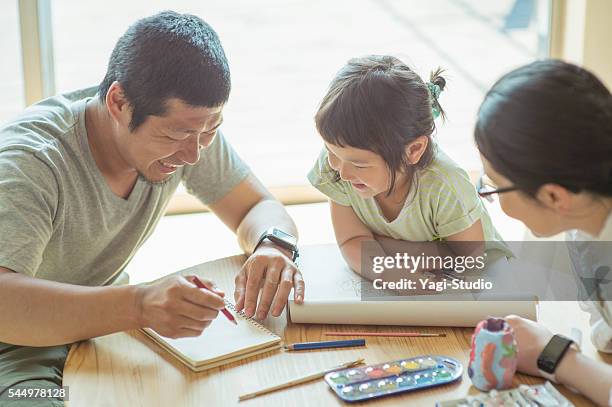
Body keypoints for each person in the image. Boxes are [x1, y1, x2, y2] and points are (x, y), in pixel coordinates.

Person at [0, 11, 303, 404]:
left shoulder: (188, 129)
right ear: (119, 103)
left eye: (209, 131)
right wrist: (141, 304)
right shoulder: (32, 163)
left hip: (107, 327)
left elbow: (258, 207)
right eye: (178, 136)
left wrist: (272, 245)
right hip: (19, 345)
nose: (194, 154)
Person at [475, 59, 612, 406]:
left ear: (554, 196)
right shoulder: (587, 223)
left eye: (494, 187)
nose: (489, 196)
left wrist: (555, 355)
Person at [307, 55, 509, 280]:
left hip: (483, 279)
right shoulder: (338, 165)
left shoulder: (445, 185)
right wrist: (390, 273)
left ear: (412, 151)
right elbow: (350, 242)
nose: (342, 172)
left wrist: (378, 245)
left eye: (359, 164)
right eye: (332, 152)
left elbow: (469, 260)